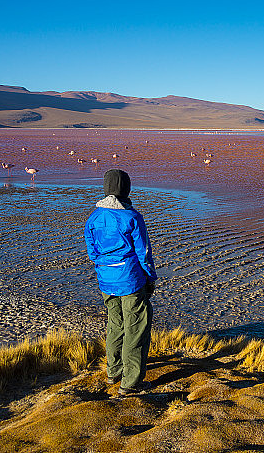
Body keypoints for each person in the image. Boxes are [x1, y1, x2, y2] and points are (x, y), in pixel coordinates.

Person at [84, 169, 157, 395]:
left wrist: (106, 268)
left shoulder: (94, 218)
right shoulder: (132, 217)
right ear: (127, 189)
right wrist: (150, 278)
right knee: (136, 328)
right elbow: (143, 253)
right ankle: (131, 383)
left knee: (115, 324)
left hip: (106, 281)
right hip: (130, 280)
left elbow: (92, 252)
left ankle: (113, 371)